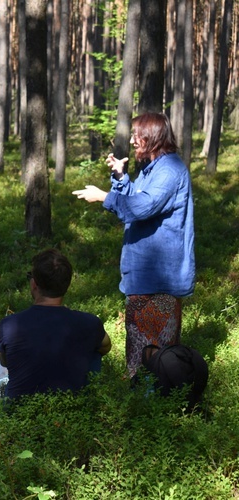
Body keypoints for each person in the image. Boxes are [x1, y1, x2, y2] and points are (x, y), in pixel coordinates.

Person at [72, 112, 195, 377]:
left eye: (136, 135)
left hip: (159, 280)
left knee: (159, 355)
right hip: (143, 277)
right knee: (139, 349)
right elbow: (135, 198)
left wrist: (103, 197)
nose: (132, 140)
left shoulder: (170, 170)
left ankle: (160, 404)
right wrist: (120, 177)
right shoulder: (152, 169)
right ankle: (140, 401)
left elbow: (141, 207)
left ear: (152, 137)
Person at [0, 249, 112, 399]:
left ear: (34, 284)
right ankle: (86, 398)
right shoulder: (90, 323)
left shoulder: (9, 325)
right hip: (73, 409)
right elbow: (106, 346)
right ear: (67, 285)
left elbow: (5, 362)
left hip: (18, 410)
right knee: (95, 351)